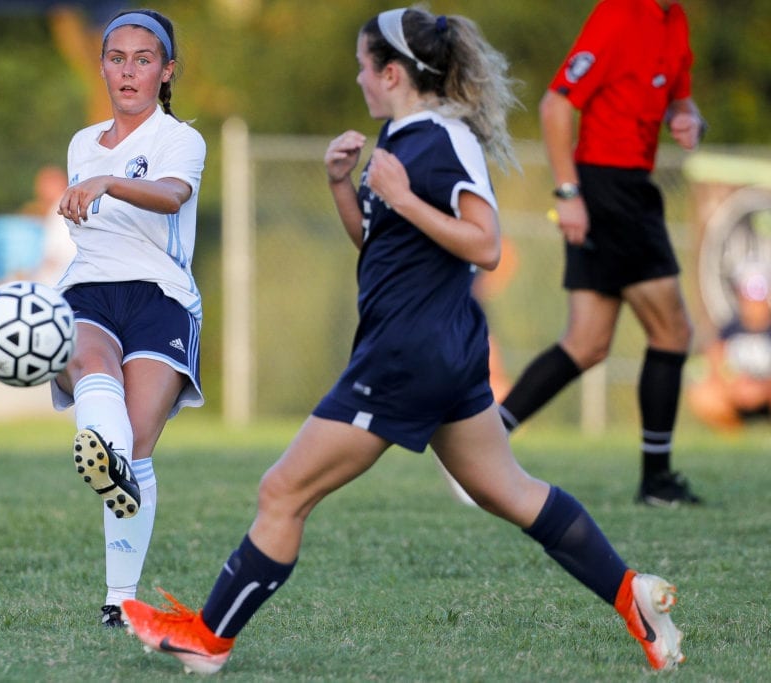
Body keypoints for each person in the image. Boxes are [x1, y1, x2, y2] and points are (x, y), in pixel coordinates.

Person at [122, 8, 684, 674]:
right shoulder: (403, 137)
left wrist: (404, 197)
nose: (358, 78)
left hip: (406, 354)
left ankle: (208, 639)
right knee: (511, 489)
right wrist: (342, 185)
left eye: (364, 66)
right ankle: (632, 595)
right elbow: (380, 242)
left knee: (283, 492)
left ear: (392, 73)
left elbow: (487, 244)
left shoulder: (440, 141)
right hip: (441, 351)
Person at [497, 0, 706, 507]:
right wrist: (569, 194)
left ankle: (481, 438)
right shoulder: (618, 13)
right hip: (607, 188)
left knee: (587, 343)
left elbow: (679, 100)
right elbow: (555, 104)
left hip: (631, 187)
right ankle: (656, 481)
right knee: (673, 332)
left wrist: (686, 117)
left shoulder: (673, 19)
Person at [50, 9, 206, 629]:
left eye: (144, 60)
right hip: (89, 288)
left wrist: (110, 184)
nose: (129, 71)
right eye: (117, 58)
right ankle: (100, 447)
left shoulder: (179, 139)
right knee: (89, 359)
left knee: (135, 447)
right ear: (103, 66)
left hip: (159, 297)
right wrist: (84, 189)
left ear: (166, 71)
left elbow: (171, 195)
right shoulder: (82, 143)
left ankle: (120, 599)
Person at [688, 262, 771, 430]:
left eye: (758, 292)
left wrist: (762, 389)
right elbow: (714, 362)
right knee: (702, 394)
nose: (752, 300)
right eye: (747, 292)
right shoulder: (728, 329)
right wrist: (735, 386)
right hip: (736, 394)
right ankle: (732, 434)